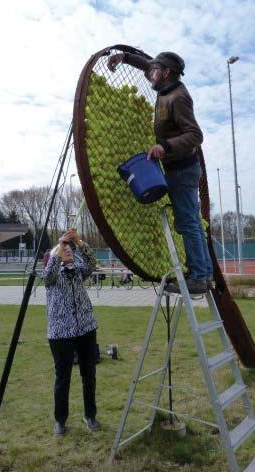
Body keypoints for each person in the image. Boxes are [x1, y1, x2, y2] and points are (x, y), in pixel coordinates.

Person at [108, 50, 213, 294]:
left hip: (183, 170)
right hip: (179, 169)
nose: (149, 73)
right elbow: (147, 65)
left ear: (165, 73)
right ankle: (203, 273)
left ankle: (199, 277)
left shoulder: (178, 98)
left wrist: (164, 146)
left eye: (155, 70)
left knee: (188, 223)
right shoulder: (164, 85)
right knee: (192, 223)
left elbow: (196, 135)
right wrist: (123, 57)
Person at [43, 228, 100, 435]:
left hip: (86, 328)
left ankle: (90, 415)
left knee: (89, 375)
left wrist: (80, 242)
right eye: (62, 250)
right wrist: (58, 248)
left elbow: (93, 263)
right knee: (63, 378)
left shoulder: (78, 270)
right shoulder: (52, 275)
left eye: (68, 249)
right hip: (60, 334)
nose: (67, 251)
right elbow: (46, 275)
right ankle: (60, 420)